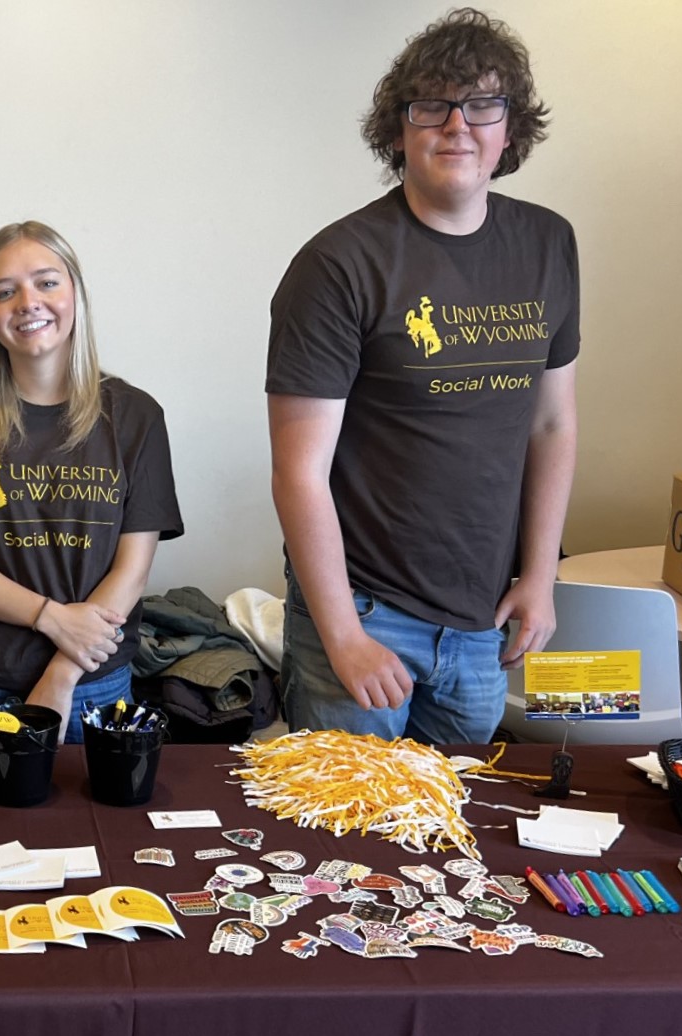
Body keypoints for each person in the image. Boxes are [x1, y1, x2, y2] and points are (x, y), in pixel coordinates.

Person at [266, 8, 578, 744]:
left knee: (451, 838)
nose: (457, 125)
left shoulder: (548, 244)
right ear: (399, 129)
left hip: (483, 621)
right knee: (339, 841)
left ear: (511, 127)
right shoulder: (338, 265)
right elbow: (297, 472)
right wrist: (342, 634)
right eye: (431, 105)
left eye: (482, 104)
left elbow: (553, 422)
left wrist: (540, 577)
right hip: (366, 613)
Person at [0, 221, 182, 744]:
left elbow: (132, 570)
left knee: (91, 828)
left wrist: (62, 672)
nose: (27, 302)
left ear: (75, 293)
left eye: (47, 282)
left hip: (92, 682)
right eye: (4, 292)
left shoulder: (137, 415)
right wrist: (51, 617)